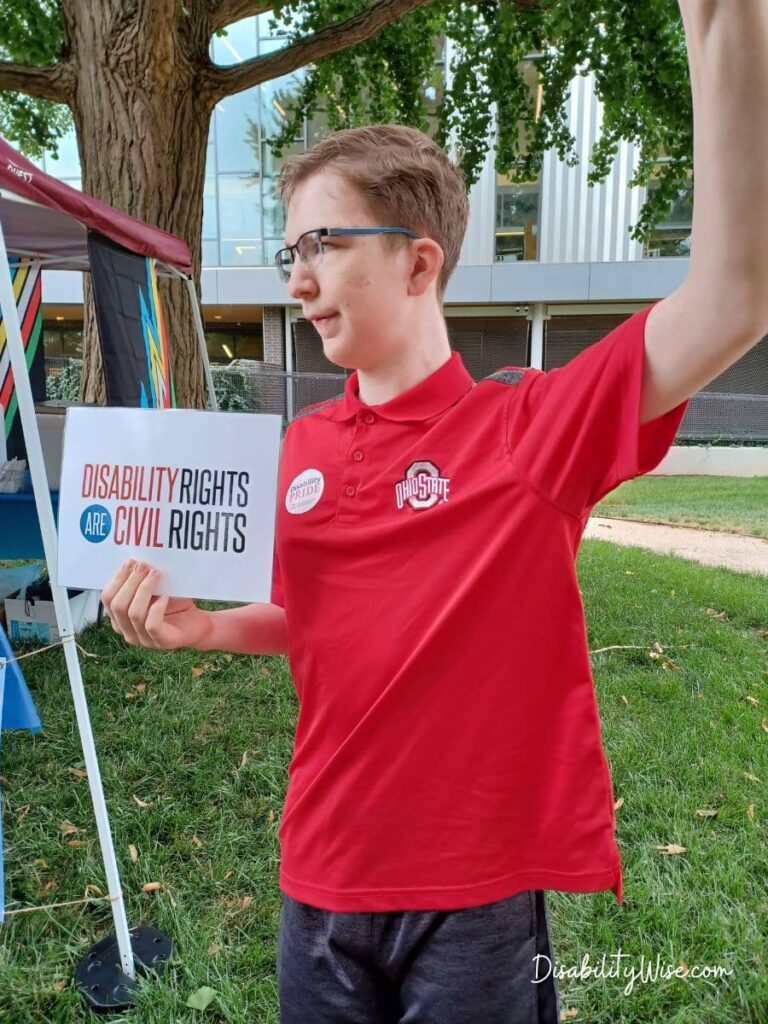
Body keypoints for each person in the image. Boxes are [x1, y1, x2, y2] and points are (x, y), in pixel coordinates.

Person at [101, 5, 768, 1018]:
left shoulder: (529, 430)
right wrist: (203, 627)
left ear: (420, 260)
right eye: (291, 249)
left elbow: (731, 295)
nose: (297, 276)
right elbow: (317, 619)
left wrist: (729, 29)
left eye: (322, 242)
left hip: (475, 900)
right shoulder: (304, 449)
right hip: (317, 878)